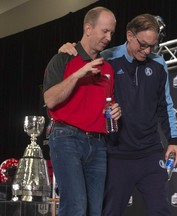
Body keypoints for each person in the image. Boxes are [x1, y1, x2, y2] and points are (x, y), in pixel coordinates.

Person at [59, 13, 177, 216]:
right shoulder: (107, 58)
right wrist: (68, 49)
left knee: (161, 210)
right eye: (142, 44)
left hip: (150, 153)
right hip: (116, 154)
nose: (147, 50)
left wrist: (174, 139)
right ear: (129, 35)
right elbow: (81, 58)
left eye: (152, 46)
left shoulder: (159, 64)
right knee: (109, 212)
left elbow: (165, 105)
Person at [43, 7, 121, 216]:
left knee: (94, 211)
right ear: (88, 28)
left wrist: (114, 110)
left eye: (111, 32)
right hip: (66, 139)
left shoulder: (108, 69)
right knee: (75, 207)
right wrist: (79, 74)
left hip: (98, 144)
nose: (108, 37)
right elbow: (50, 100)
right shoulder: (62, 59)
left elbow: (106, 102)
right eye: (104, 31)